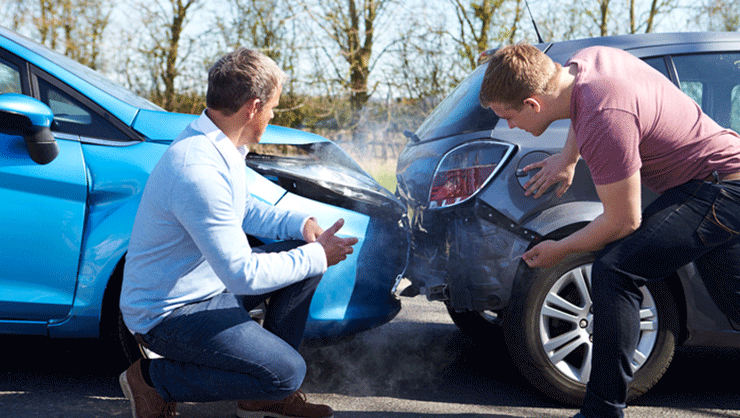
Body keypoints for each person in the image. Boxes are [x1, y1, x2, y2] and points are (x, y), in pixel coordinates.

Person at [479, 43, 740, 418]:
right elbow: (581, 106)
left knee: (616, 270)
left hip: (719, 188)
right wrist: (568, 159)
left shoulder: (604, 114)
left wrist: (561, 249)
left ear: (533, 104)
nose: (509, 125)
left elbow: (623, 221)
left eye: (507, 115)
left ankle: (602, 410)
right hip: (717, 179)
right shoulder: (587, 63)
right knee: (734, 301)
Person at [119, 48, 357, 418]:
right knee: (287, 372)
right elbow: (241, 273)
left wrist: (301, 225)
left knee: (303, 251)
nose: (274, 115)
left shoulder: (220, 144)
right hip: (169, 312)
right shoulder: (196, 168)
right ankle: (153, 379)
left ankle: (262, 394)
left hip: (208, 287)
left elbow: (241, 208)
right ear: (253, 107)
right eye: (274, 108)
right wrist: (319, 254)